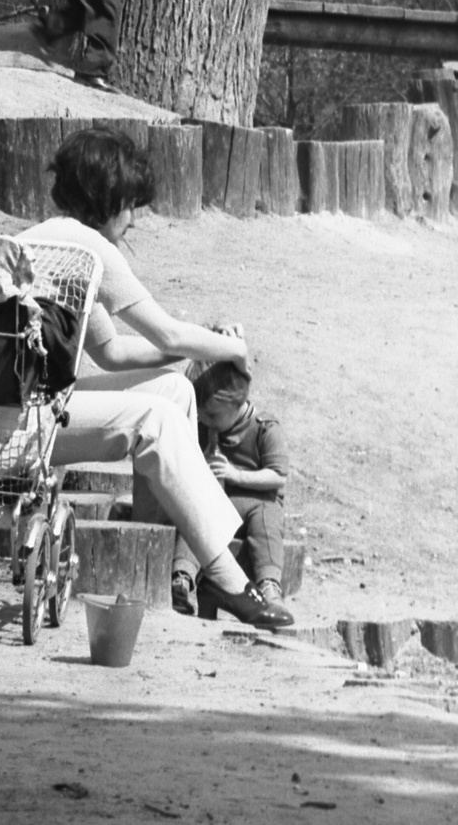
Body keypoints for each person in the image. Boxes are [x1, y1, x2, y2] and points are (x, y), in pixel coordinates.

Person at [18, 127, 295, 629]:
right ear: (111, 198)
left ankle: (159, 552)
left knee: (175, 390)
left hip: (16, 404)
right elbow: (166, 333)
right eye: (131, 204)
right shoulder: (89, 247)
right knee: (158, 419)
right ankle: (227, 578)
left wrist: (196, 354)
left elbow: (113, 350)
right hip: (25, 421)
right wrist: (234, 348)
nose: (133, 218)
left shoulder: (40, 239)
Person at [193, 357, 290, 613]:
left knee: (268, 516)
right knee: (192, 513)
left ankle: (268, 584)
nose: (205, 421)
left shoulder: (264, 429)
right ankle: (182, 576)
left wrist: (235, 474)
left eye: (212, 414)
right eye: (201, 414)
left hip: (258, 505)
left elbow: (278, 475)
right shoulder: (204, 428)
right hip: (219, 505)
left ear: (237, 403)